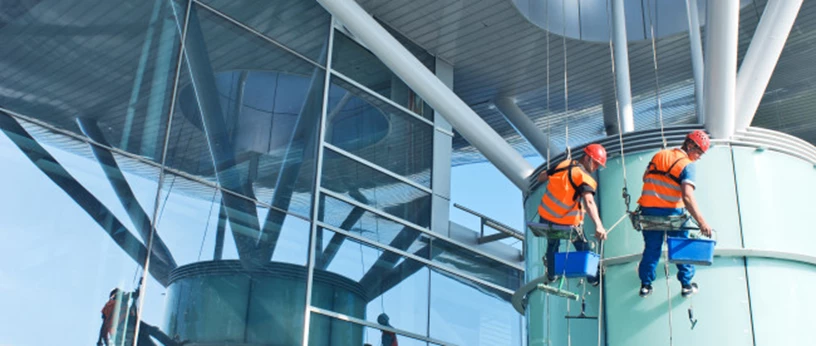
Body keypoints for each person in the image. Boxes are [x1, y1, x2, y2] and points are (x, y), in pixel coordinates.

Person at [636, 130, 713, 298]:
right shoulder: (687, 165)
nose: (699, 156)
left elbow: (645, 177)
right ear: (690, 145)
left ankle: (645, 285)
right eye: (699, 152)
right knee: (680, 246)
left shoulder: (659, 155)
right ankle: (686, 285)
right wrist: (702, 222)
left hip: (648, 212)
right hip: (672, 214)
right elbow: (687, 196)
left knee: (651, 249)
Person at [536, 144, 608, 285]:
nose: (596, 168)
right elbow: (589, 201)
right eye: (596, 164)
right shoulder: (583, 178)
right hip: (566, 223)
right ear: (587, 158)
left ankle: (551, 274)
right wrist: (599, 226)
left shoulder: (564, 164)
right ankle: (593, 277)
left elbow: (541, 177)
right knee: (582, 246)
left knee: (552, 244)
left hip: (545, 219)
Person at [97, 283, 187, 346]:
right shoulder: (114, 298)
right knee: (153, 330)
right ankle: (173, 344)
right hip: (129, 323)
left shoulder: (107, 310)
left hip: (126, 332)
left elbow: (104, 329)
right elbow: (127, 295)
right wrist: (135, 293)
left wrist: (101, 341)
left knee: (146, 341)